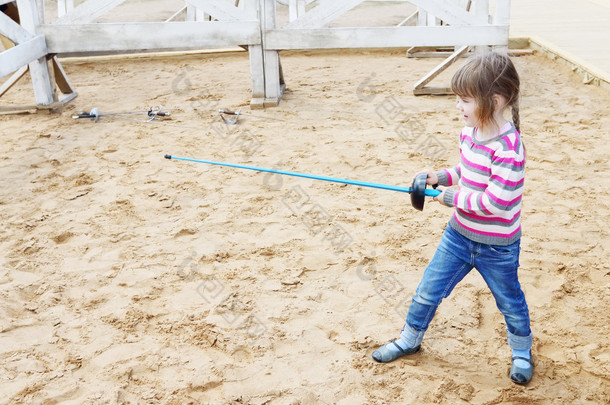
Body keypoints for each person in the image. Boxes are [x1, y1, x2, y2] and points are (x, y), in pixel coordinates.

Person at [372, 51, 534, 385]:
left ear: (496, 100)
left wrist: (448, 198)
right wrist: (440, 177)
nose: (458, 107)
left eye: (464, 100)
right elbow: (468, 171)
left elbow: (496, 202)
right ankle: (409, 340)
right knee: (427, 291)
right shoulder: (469, 134)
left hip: (497, 246)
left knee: (510, 303)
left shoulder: (508, 149)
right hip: (459, 236)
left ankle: (520, 352)